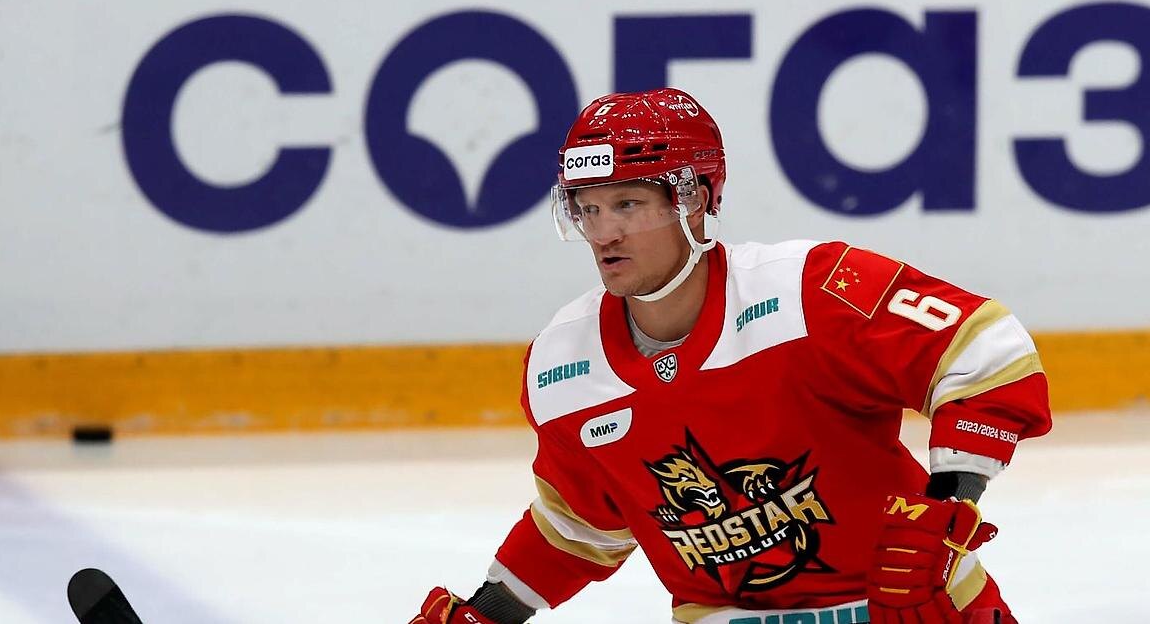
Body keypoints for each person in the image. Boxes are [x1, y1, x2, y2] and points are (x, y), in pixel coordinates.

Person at [410, 88, 1051, 624]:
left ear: (694, 198)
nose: (604, 233)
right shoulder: (561, 364)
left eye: (627, 204)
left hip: (911, 610)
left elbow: (986, 353)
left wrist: (947, 508)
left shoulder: (811, 290)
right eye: (589, 209)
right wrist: (486, 615)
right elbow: (580, 525)